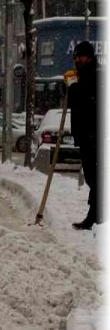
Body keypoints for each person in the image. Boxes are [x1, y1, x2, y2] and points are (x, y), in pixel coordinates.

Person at [69, 41, 101, 230]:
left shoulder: (94, 75)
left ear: (89, 57)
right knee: (94, 177)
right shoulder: (85, 75)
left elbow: (82, 100)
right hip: (87, 134)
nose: (77, 60)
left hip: (93, 135)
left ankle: (95, 216)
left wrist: (72, 86)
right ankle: (97, 216)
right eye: (76, 56)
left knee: (95, 177)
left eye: (81, 56)